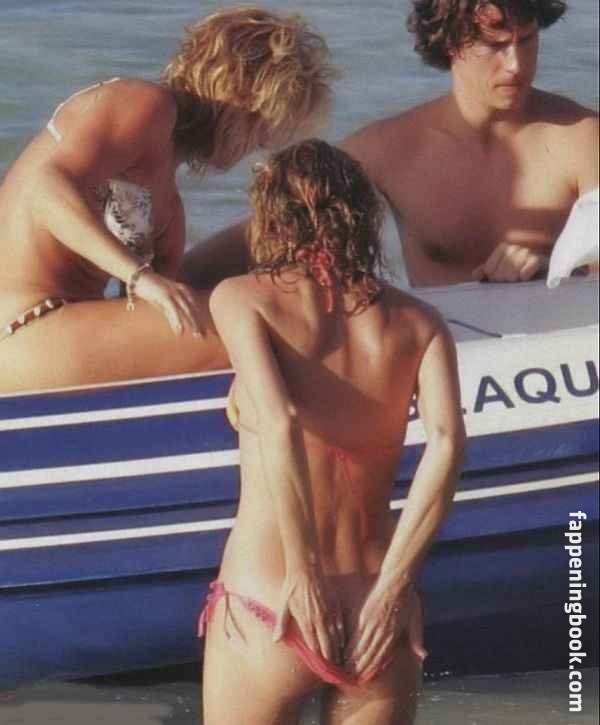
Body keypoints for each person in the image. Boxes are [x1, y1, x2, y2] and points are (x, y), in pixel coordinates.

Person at [202, 140, 465, 724]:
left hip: (273, 599)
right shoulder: (421, 322)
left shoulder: (242, 298)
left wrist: (303, 576)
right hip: (377, 611)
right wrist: (396, 588)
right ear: (361, 215)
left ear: (271, 211)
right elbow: (447, 445)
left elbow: (280, 422)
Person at [0, 6, 335, 393]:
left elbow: (155, 312)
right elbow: (43, 188)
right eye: (263, 129)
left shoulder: (170, 209)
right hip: (23, 325)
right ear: (243, 94)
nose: (259, 146)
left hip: (63, 334)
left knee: (284, 301)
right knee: (279, 320)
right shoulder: (144, 104)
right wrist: (140, 278)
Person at [179, 0, 598, 289]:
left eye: (527, 40)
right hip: (447, 355)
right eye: (495, 45)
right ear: (450, 43)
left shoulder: (583, 137)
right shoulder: (386, 151)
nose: (516, 65)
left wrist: (559, 268)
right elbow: (251, 242)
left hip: (563, 364)